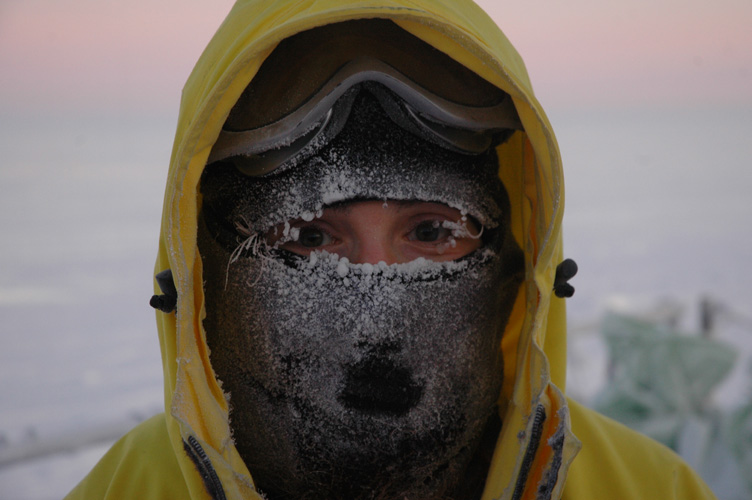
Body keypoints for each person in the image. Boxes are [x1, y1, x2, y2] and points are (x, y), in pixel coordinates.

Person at [66, 1, 716, 499]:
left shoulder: (648, 487)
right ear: (208, 270)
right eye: (308, 236)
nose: (373, 291)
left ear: (515, 266)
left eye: (431, 232)